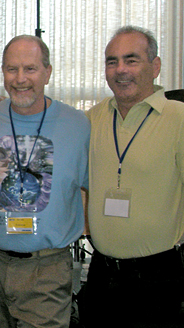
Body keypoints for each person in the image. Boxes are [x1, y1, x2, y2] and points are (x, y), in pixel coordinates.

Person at [0, 35, 90, 327]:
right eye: (11, 69)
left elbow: (90, 187)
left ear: (48, 72)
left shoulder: (79, 124)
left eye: (30, 69)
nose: (20, 79)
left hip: (47, 268)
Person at [80, 26, 184, 327]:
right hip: (101, 272)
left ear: (156, 66)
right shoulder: (91, 118)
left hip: (158, 277)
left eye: (131, 59)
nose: (120, 70)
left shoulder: (178, 118)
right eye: (111, 61)